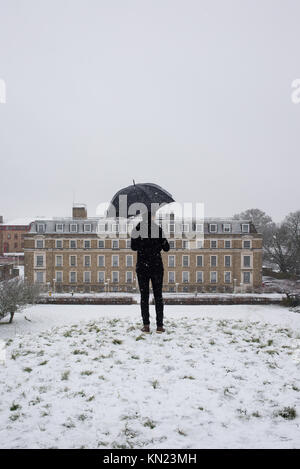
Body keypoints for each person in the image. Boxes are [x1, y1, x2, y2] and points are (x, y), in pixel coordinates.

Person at [131, 210, 170, 333]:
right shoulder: (157, 229)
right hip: (156, 266)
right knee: (158, 296)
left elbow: (133, 247)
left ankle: (146, 326)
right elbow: (167, 248)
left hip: (142, 266)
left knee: (144, 296)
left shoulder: (137, 228)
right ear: (152, 217)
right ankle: (159, 326)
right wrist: (161, 240)